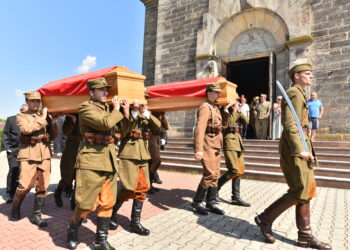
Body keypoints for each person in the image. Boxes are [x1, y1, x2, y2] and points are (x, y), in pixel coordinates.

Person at [254, 63, 331, 249]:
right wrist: (299, 149)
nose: (311, 76)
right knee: (300, 189)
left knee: (306, 190)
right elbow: (290, 124)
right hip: (295, 148)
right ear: (296, 76)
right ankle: (265, 218)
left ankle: (305, 236)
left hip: (303, 143)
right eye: (307, 73)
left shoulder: (300, 92)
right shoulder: (295, 93)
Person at [66, 77, 128, 250]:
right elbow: (104, 123)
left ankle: (101, 240)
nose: (106, 92)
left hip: (108, 160)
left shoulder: (110, 109)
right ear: (91, 92)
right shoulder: (85, 107)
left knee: (108, 202)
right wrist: (116, 109)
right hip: (90, 160)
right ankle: (72, 227)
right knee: (85, 203)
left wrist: (127, 111)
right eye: (102, 89)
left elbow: (123, 131)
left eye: (106, 89)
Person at [109, 99, 161, 235]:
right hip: (129, 153)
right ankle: (111, 212)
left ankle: (135, 223)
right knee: (128, 188)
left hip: (143, 154)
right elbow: (124, 131)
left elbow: (158, 125)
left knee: (143, 188)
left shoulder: (143, 114)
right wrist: (131, 111)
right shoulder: (123, 113)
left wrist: (144, 112)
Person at [11, 92, 58, 228]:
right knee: (25, 185)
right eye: (33, 101)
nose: (36, 104)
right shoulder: (21, 116)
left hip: (44, 155)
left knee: (43, 186)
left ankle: (36, 216)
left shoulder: (44, 117)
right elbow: (26, 129)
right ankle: (16, 206)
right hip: (28, 155)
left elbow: (53, 135)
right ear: (27, 101)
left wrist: (53, 122)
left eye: (38, 101)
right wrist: (44, 118)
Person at [191, 83, 224, 215]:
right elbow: (199, 129)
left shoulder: (216, 107)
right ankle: (197, 201)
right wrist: (198, 149)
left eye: (218, 93)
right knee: (209, 174)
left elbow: (222, 125)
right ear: (208, 93)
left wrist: (226, 110)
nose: (217, 95)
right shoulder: (205, 107)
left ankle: (211, 202)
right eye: (215, 92)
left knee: (215, 174)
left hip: (216, 144)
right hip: (207, 144)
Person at [217, 101, 250, 207]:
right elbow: (228, 124)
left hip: (238, 143)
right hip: (229, 143)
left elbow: (246, 121)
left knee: (240, 171)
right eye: (235, 103)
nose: (237, 104)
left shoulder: (237, 113)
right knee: (233, 170)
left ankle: (236, 197)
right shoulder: (224, 112)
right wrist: (230, 109)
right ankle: (214, 189)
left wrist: (240, 111)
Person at [1, 104, 28, 203]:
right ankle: (9, 193)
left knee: (22, 172)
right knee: (13, 170)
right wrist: (7, 148)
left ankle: (18, 192)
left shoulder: (30, 120)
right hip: (13, 151)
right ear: (21, 110)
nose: (26, 114)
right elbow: (5, 134)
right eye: (24, 111)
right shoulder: (11, 119)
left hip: (25, 151)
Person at [54, 114, 80, 210]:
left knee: (80, 177)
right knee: (67, 176)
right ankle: (58, 192)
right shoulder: (71, 115)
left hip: (85, 148)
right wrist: (73, 120)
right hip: (71, 147)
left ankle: (74, 201)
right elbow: (65, 132)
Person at [148, 112, 169, 194]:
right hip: (151, 139)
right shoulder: (150, 116)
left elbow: (166, 127)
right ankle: (149, 185)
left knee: (152, 162)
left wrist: (163, 117)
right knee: (156, 161)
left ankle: (150, 185)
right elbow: (157, 127)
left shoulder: (160, 117)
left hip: (157, 140)